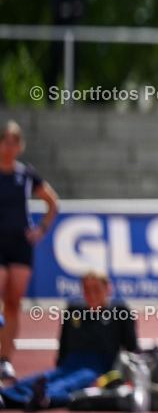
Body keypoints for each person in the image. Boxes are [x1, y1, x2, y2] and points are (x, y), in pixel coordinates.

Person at [0, 270, 137, 409]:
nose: (92, 294)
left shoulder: (121, 311)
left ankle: (45, 399)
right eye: (87, 290)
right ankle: (6, 396)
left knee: (72, 383)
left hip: (98, 367)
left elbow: (132, 348)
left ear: (108, 288)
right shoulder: (73, 310)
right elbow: (63, 343)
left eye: (97, 289)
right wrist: (61, 363)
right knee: (41, 378)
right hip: (69, 363)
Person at [0, 121, 59, 381]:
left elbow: (52, 201)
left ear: (20, 145)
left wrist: (41, 229)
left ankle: (5, 359)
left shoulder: (26, 174)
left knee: (13, 304)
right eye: (6, 140)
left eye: (15, 141)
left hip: (20, 244)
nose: (10, 146)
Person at [45, 0, 86, 99]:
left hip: (73, 41)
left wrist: (69, 10)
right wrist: (69, 10)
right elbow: (59, 12)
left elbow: (80, 11)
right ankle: (50, 100)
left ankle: (71, 100)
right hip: (58, 40)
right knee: (54, 70)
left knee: (73, 72)